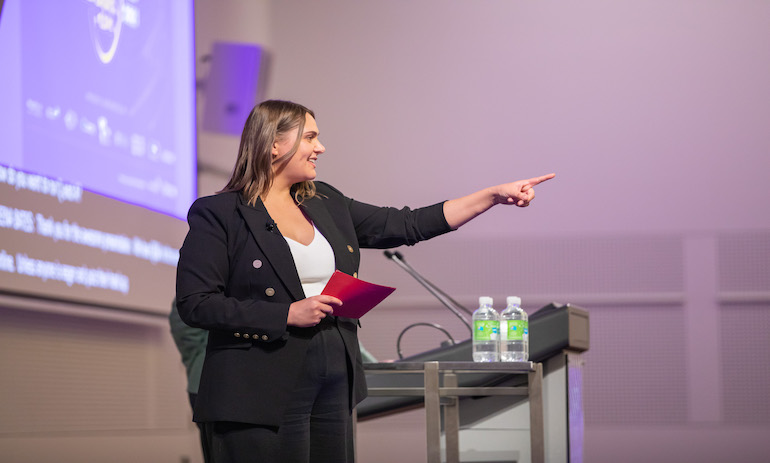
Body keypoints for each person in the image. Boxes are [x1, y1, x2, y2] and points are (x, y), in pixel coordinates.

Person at [175, 99, 554, 463]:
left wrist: (491, 196)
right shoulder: (221, 213)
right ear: (274, 145)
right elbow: (196, 302)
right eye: (309, 137)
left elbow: (407, 223)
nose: (320, 147)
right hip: (259, 382)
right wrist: (285, 314)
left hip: (332, 371)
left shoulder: (325, 201)